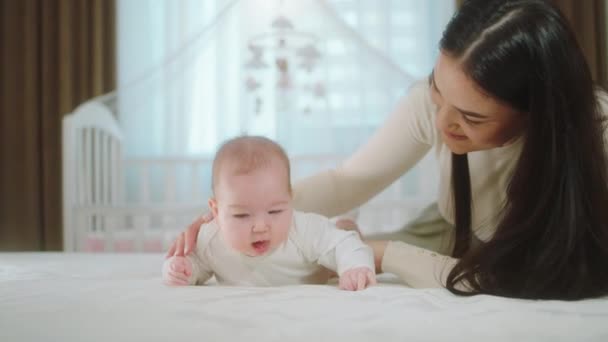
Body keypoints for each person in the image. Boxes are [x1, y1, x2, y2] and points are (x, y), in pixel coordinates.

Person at [167, 0, 608, 300]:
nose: (441, 123)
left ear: (539, 115)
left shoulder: (594, 138)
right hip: (449, 229)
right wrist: (246, 212)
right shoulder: (431, 105)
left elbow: (512, 279)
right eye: (438, 91)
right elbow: (349, 181)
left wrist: (380, 252)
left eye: (471, 118)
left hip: (494, 255)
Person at [162, 136, 376, 291]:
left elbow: (344, 243)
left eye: (275, 211)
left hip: (320, 265)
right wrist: (181, 269)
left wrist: (354, 267)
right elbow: (194, 263)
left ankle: (346, 221)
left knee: (341, 235)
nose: (261, 226)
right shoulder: (211, 239)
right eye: (242, 215)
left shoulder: (301, 229)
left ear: (290, 201)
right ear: (216, 211)